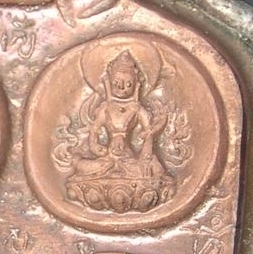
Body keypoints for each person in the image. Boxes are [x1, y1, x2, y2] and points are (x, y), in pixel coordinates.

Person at [66, 50, 174, 213]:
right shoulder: (106, 108)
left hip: (129, 160)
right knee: (85, 166)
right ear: (108, 82)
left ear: (137, 85)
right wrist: (95, 146)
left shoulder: (136, 109)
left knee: (153, 168)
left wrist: (146, 153)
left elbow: (149, 131)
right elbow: (94, 130)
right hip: (108, 159)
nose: (123, 88)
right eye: (117, 83)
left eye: (129, 84)